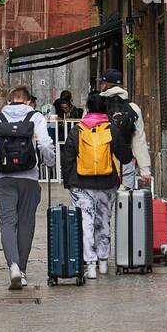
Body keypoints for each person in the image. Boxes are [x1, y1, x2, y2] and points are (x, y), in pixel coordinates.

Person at [0, 85, 55, 290]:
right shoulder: (35, 117)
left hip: (3, 179)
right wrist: (49, 162)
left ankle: (12, 265)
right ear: (28, 100)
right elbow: (46, 145)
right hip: (29, 178)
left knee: (7, 223)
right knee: (26, 224)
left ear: (10, 100)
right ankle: (21, 270)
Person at [62, 91, 132, 279]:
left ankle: (90, 264)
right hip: (106, 183)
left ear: (88, 108)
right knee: (103, 222)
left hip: (80, 184)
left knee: (86, 223)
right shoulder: (111, 129)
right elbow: (125, 156)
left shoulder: (77, 130)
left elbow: (67, 157)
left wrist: (68, 181)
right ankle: (103, 262)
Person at [99, 67, 152, 189]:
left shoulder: (95, 105)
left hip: (101, 161)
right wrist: (145, 169)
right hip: (125, 162)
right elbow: (139, 139)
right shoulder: (133, 108)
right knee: (125, 201)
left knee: (104, 205)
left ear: (105, 85)